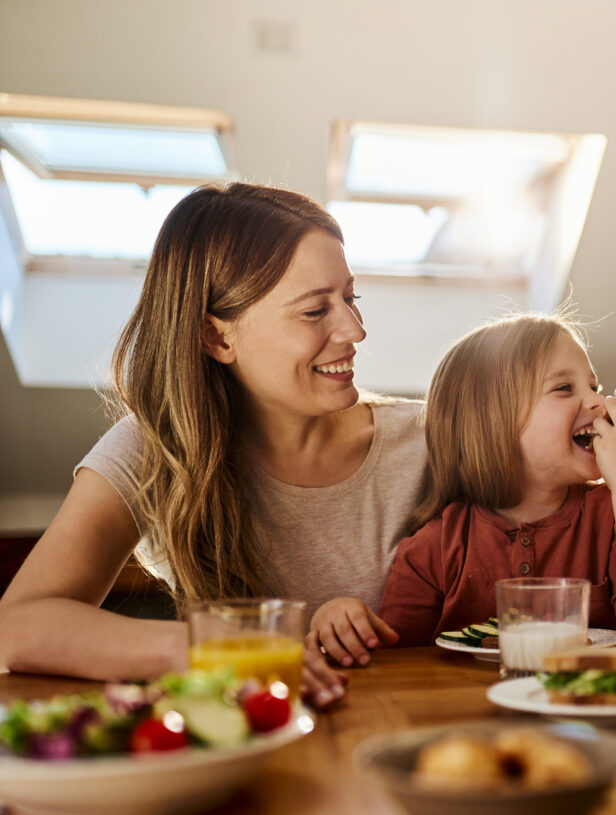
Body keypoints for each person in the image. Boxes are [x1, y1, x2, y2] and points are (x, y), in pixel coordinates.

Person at [0, 182, 426, 708]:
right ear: (218, 337)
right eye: (316, 311)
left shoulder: (432, 440)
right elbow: (17, 626)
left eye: (350, 298)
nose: (355, 330)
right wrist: (212, 648)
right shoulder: (159, 447)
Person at [308, 313, 616, 657]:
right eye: (564, 389)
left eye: (594, 385)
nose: (599, 402)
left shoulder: (613, 513)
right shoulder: (437, 548)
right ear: (493, 423)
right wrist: (345, 621)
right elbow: (396, 659)